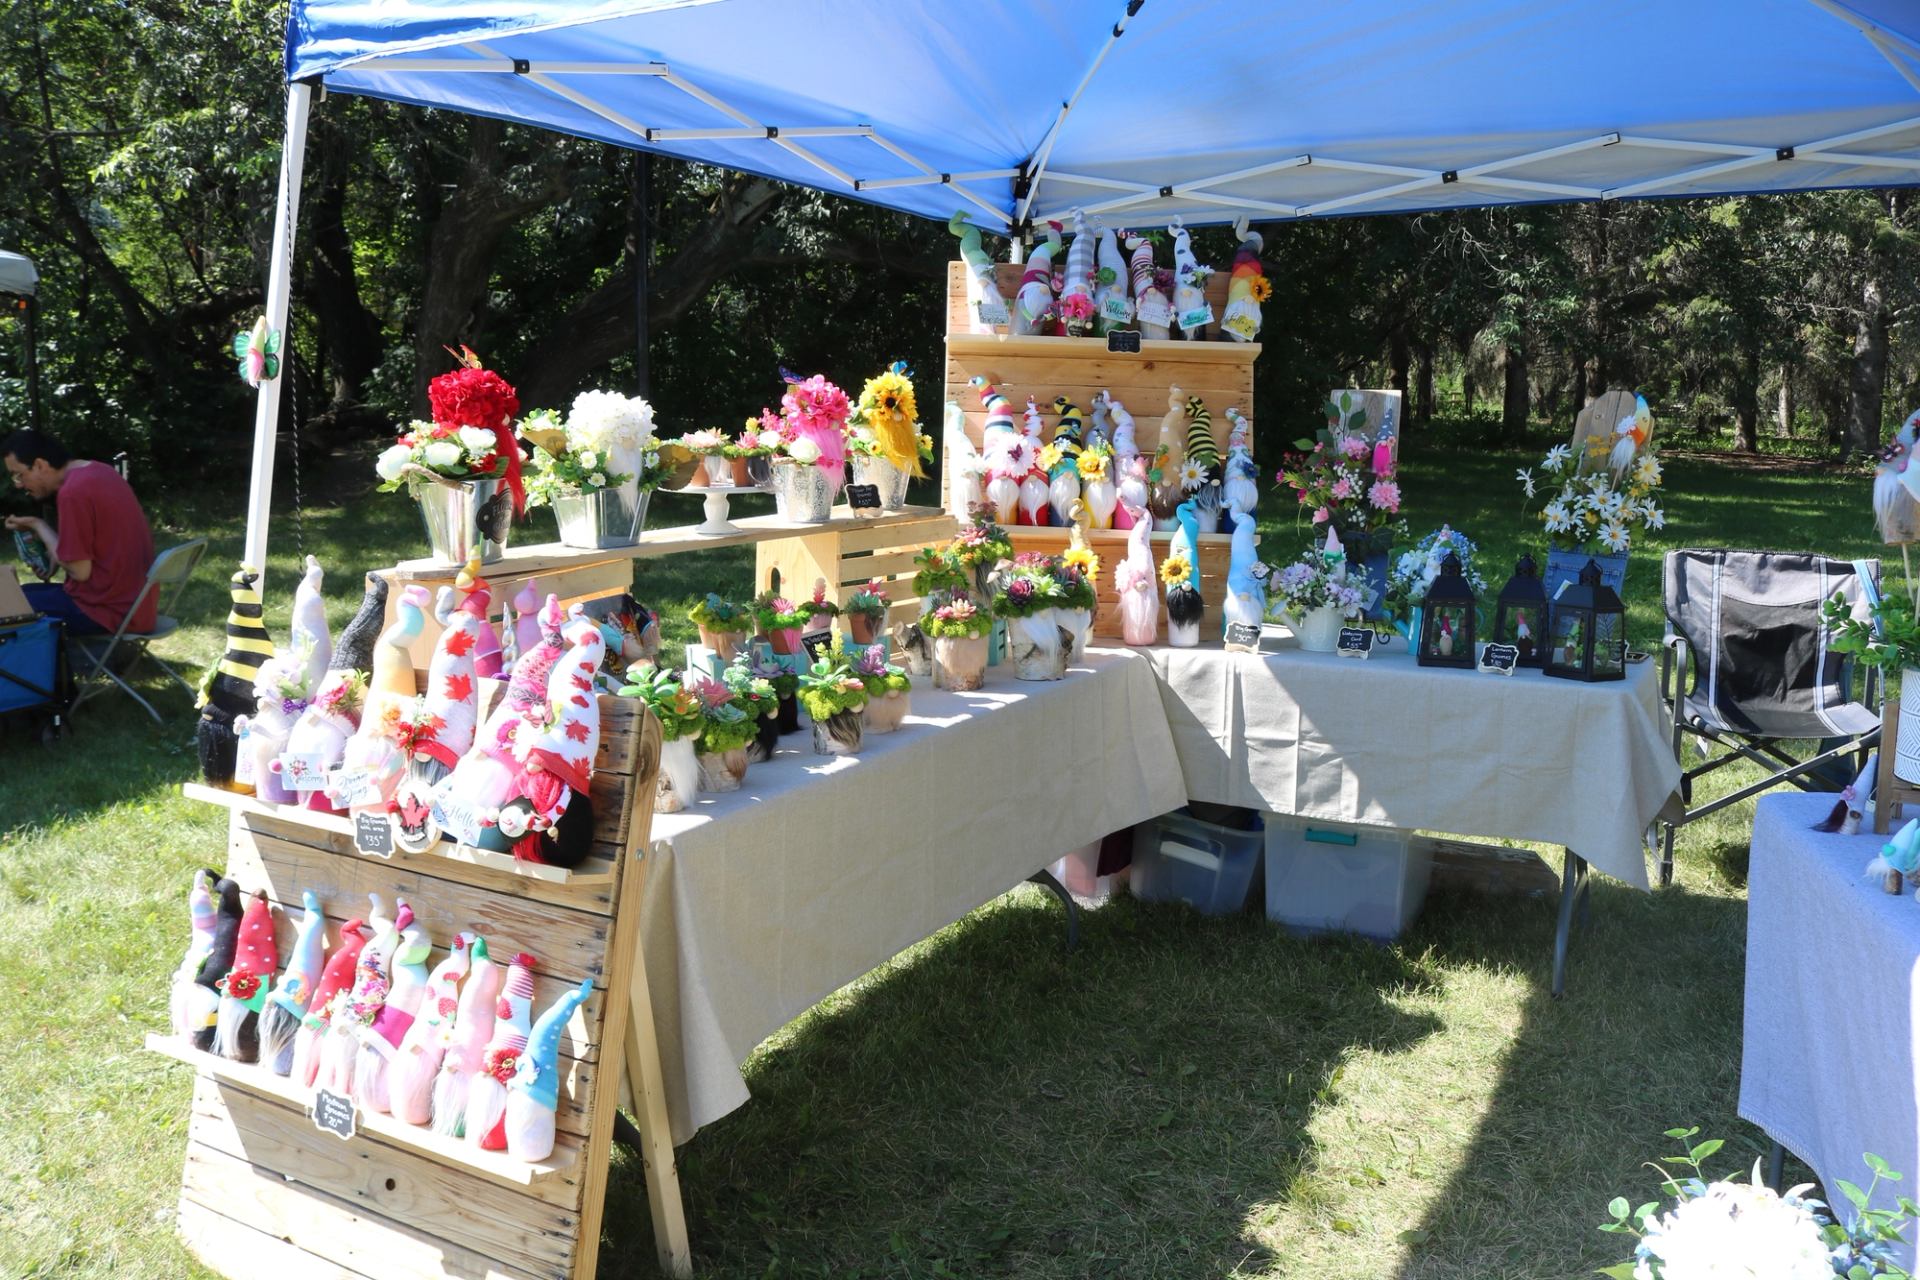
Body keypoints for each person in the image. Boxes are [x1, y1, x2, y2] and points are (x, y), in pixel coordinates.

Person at [3, 429, 155, 636]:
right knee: (15, 595)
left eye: (19, 475)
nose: (19, 485)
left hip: (105, 612)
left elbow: (80, 572)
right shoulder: (100, 471)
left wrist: (39, 526)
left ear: (40, 465)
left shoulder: (73, 492)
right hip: (135, 606)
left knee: (6, 603)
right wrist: (39, 527)